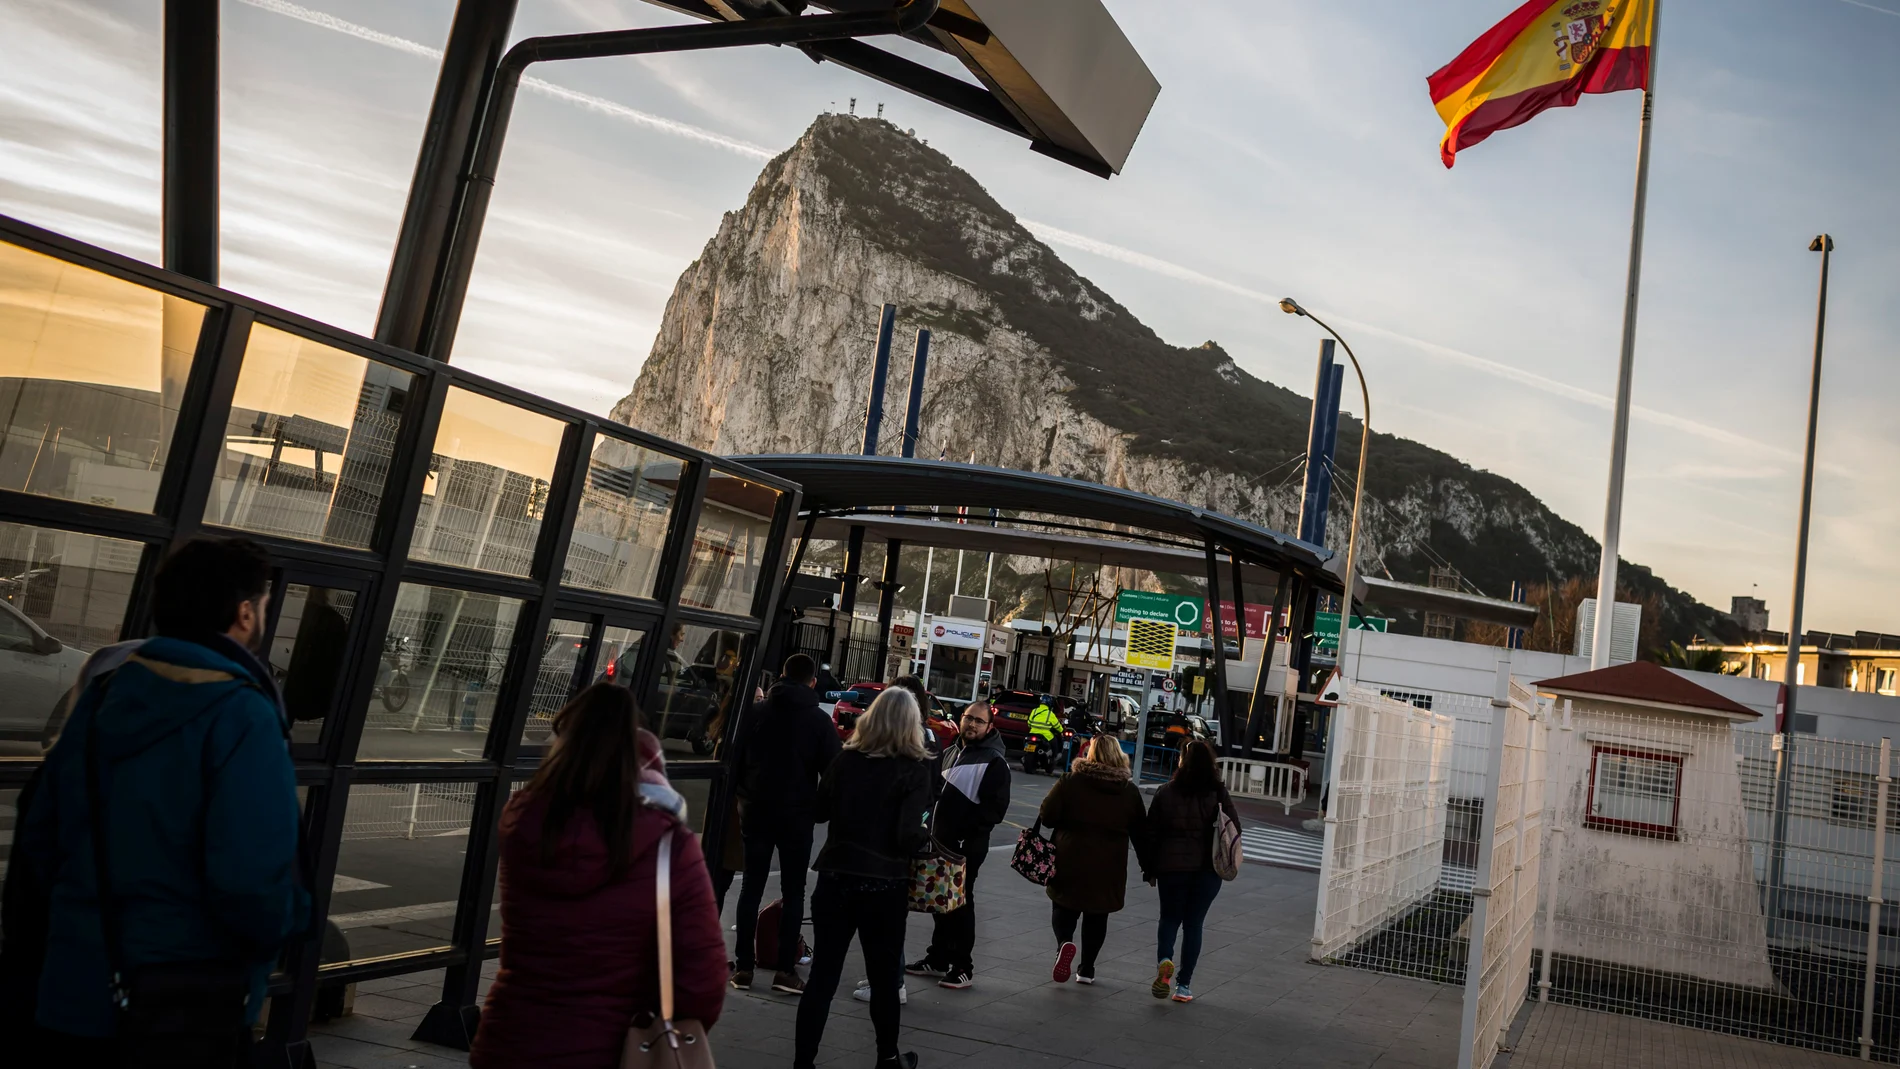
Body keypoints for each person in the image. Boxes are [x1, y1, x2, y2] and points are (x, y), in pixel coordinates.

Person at [16, 536, 309, 1065]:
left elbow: (40, 835)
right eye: (262, 607)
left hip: (73, 992)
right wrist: (289, 924)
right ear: (245, 613)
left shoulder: (105, 693)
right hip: (182, 1005)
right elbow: (251, 879)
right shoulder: (241, 713)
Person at [472, 683, 724, 1068]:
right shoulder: (667, 843)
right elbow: (702, 981)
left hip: (512, 1038)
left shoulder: (524, 824)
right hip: (610, 1048)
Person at [795, 688, 933, 1069]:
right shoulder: (914, 771)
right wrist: (924, 835)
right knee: (884, 978)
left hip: (836, 876)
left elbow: (820, 812)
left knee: (823, 975)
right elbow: (907, 835)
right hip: (883, 883)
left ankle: (803, 1061)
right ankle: (887, 1057)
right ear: (912, 726)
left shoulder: (845, 761)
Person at [726, 653, 841, 993]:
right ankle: (785, 972)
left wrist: (743, 798)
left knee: (750, 888)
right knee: (794, 892)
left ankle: (744, 968)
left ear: (781, 675)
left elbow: (736, 761)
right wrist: (818, 810)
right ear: (813, 682)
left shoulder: (757, 712)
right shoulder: (818, 721)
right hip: (796, 816)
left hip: (755, 811)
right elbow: (832, 773)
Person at [906, 700, 1010, 989]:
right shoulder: (951, 752)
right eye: (969, 719)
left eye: (979, 721)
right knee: (940, 899)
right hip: (940, 840)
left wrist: (967, 834)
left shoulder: (994, 761)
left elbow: (995, 810)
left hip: (966, 846)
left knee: (961, 903)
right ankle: (938, 958)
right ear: (961, 720)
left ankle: (963, 966)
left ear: (989, 727)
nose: (972, 725)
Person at [1039, 734, 1148, 986]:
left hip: (1070, 856)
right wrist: (1148, 867)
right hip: (1108, 864)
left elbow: (1047, 816)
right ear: (1118, 756)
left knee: (1063, 905)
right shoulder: (1128, 792)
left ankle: (1064, 943)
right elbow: (1141, 833)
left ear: (1090, 754)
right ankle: (1086, 969)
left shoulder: (1070, 781)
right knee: (1097, 915)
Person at [1142, 739, 1239, 1003]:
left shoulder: (1166, 792)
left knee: (1169, 919)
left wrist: (1149, 868)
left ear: (1181, 762)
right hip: (1207, 869)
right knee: (1194, 924)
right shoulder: (1218, 793)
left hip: (1171, 868)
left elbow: (1150, 833)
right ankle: (1183, 987)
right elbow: (1234, 829)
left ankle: (1165, 961)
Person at [1026, 694, 1063, 771]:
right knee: (1055, 742)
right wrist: (1061, 730)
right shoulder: (1050, 713)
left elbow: (1029, 723)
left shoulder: (1034, 711)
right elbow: (1057, 725)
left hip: (1032, 733)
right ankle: (1054, 757)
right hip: (1046, 735)